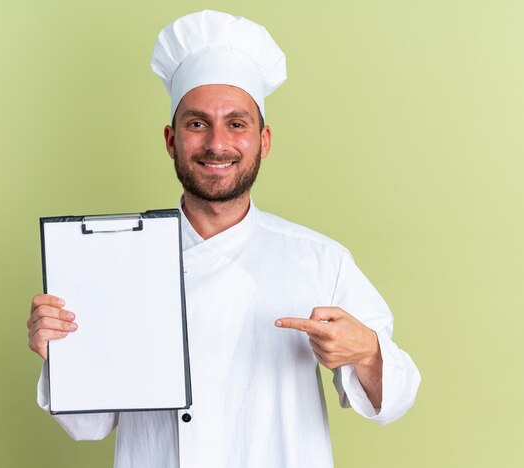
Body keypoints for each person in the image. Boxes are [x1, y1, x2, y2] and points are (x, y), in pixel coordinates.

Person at [27, 10, 421, 468]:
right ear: (171, 140)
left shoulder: (320, 260)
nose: (217, 144)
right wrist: (60, 350)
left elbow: (394, 400)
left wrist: (368, 353)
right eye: (197, 124)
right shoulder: (114, 259)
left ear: (264, 140)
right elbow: (87, 425)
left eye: (237, 124)